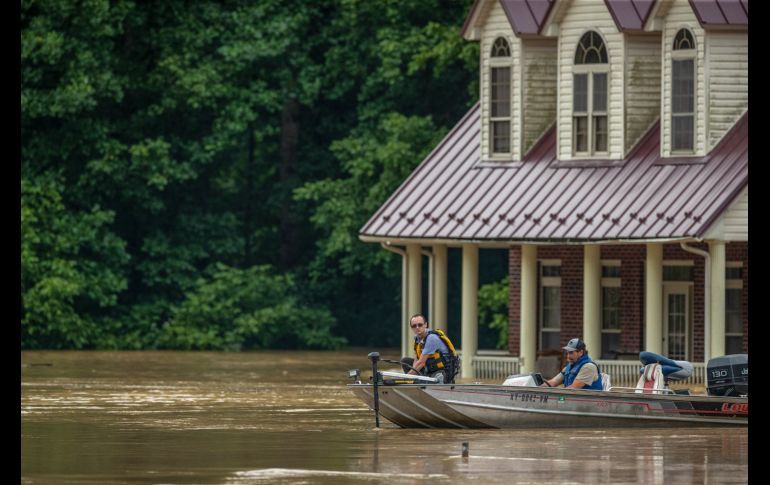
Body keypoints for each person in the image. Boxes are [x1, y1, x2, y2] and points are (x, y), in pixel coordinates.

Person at [400, 314, 459, 384]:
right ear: (411, 328)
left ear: (425, 325)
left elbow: (421, 363)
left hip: (442, 372)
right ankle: (415, 383)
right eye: (414, 326)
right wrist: (410, 376)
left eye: (420, 325)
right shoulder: (417, 338)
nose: (417, 327)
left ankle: (420, 383)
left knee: (413, 374)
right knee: (405, 361)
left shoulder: (431, 338)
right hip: (429, 370)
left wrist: (405, 378)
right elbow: (417, 360)